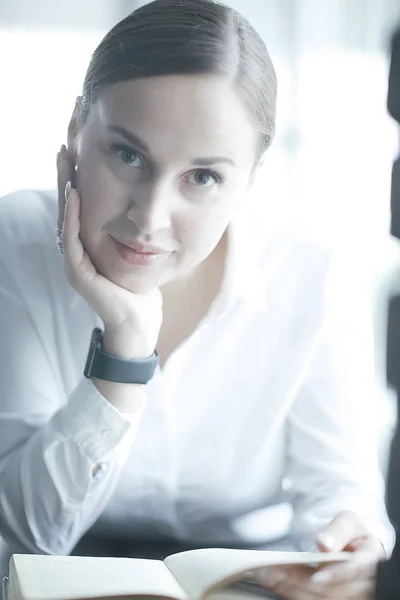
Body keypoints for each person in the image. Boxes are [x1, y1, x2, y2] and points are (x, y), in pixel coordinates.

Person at [0, 0, 393, 598]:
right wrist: (124, 353)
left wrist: (349, 547)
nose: (149, 217)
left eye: (203, 177)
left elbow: (341, 496)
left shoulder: (313, 273)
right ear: (77, 130)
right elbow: (23, 536)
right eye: (127, 154)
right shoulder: (14, 242)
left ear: (250, 180)